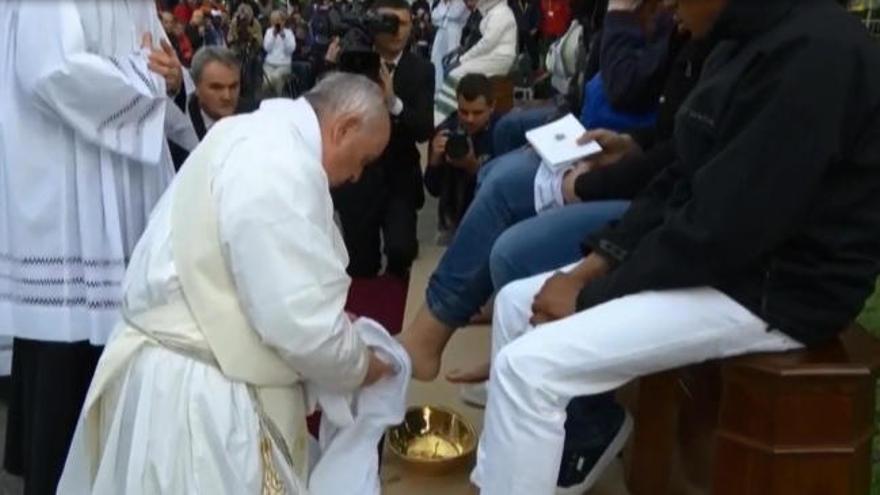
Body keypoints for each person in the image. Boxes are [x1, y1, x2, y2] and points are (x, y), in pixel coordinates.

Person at [469, 0, 880, 493]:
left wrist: (588, 297)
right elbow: (677, 179)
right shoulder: (737, 41)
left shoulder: (818, 53)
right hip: (731, 260)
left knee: (527, 371)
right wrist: (592, 267)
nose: (665, 8)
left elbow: (723, 231)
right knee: (518, 301)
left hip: (781, 290)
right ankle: (516, 473)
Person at [57, 73, 395, 494]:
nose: (357, 177)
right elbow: (298, 323)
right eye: (362, 160)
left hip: (172, 371)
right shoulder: (279, 163)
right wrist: (361, 364)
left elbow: (257, 277)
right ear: (342, 127)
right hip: (198, 399)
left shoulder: (249, 132)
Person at [0, 1, 192, 493]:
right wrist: (148, 84)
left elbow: (160, 56)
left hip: (120, 197)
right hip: (72, 199)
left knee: (109, 356)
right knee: (64, 364)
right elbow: (50, 69)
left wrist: (172, 78)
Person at [331, 0, 435, 279]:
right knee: (360, 264)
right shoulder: (352, 62)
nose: (398, 31)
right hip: (357, 178)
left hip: (399, 177)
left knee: (401, 251)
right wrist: (331, 67)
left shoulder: (421, 70)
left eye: (405, 23)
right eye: (390, 22)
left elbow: (424, 129)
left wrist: (393, 103)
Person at [425, 74, 499, 239]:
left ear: (492, 106)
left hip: (491, 220)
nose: (469, 119)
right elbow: (432, 188)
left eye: (477, 112)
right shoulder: (445, 130)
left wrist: (473, 167)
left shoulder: (501, 133)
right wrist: (434, 161)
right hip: (454, 219)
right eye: (463, 112)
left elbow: (502, 189)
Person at [434, 0, 517, 123]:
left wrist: (463, 59)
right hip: (492, 56)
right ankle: (446, 116)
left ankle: (440, 118)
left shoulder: (501, 13)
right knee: (453, 70)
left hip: (499, 59)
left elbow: (487, 44)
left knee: (455, 74)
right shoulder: (493, 12)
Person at [170, 46, 243, 169]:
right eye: (216, 87)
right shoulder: (177, 134)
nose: (227, 96)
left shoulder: (255, 118)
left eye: (233, 86)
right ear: (195, 87)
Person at [431, 0, 470, 92]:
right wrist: (445, 6)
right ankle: (437, 87)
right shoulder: (443, 2)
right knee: (436, 58)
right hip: (441, 32)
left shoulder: (461, 2)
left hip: (454, 32)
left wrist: (444, 12)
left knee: (451, 60)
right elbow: (434, 17)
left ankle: (448, 88)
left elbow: (454, 14)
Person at [263, 10, 297, 97]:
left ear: (283, 21)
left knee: (276, 78)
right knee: (267, 82)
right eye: (274, 21)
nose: (276, 23)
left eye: (279, 20)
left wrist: (283, 37)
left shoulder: (289, 33)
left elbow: (291, 49)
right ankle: (270, 100)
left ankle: (278, 98)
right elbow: (267, 48)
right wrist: (273, 37)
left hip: (284, 65)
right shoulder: (269, 32)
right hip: (269, 64)